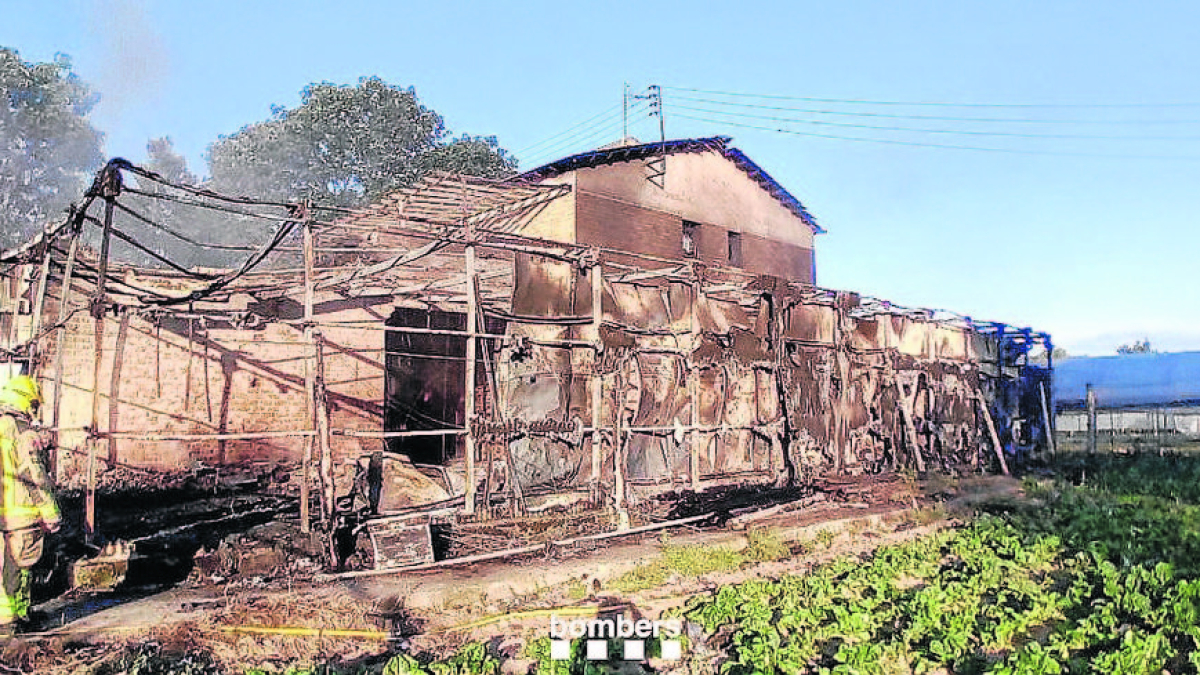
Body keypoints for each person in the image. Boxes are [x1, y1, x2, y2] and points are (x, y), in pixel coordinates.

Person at [0, 375, 59, 637]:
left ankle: (7, 618)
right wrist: (51, 512)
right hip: (21, 514)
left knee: (3, 567)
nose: (34, 411)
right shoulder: (22, 432)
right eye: (34, 405)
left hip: (3, 514)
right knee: (21, 569)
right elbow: (35, 475)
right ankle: (16, 621)